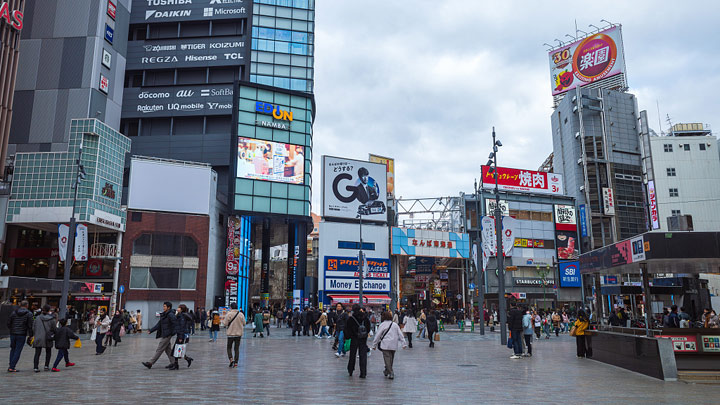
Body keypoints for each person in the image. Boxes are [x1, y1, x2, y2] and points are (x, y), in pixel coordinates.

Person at [143, 302, 178, 369]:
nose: (163, 307)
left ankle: (150, 363)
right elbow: (159, 324)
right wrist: (151, 330)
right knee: (168, 350)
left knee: (160, 348)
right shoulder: (164, 315)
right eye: (163, 306)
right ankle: (174, 363)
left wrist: (172, 333)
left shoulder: (170, 315)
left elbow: (175, 324)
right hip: (164, 333)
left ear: (169, 307)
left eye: (165, 306)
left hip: (167, 334)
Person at [372, 311, 406, 380]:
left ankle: (390, 372)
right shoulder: (395, 325)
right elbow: (400, 334)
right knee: (391, 359)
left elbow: (378, 335)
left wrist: (374, 345)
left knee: (387, 358)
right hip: (393, 344)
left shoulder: (382, 325)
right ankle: (387, 370)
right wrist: (403, 343)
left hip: (385, 344)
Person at [6, 300, 34, 372]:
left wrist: (12, 329)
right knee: (18, 350)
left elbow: (8, 322)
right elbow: (30, 326)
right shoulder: (29, 314)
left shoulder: (14, 312)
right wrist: (31, 335)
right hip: (21, 334)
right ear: (27, 305)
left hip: (13, 333)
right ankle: (12, 366)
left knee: (13, 349)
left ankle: (11, 365)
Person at [344, 304, 371, 378]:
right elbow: (368, 327)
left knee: (352, 355)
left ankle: (350, 369)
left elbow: (347, 330)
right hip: (363, 339)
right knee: (363, 355)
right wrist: (365, 334)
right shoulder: (365, 317)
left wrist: (349, 336)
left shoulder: (351, 318)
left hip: (354, 338)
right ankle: (363, 372)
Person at [32, 304, 56, 372]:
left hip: (38, 337)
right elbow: (54, 328)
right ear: (49, 310)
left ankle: (36, 367)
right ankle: (46, 366)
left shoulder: (37, 318)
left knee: (37, 353)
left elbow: (33, 327)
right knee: (48, 352)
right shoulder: (51, 319)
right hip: (48, 337)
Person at [172, 304, 194, 370]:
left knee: (177, 350)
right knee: (177, 350)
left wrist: (181, 337)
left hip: (181, 335)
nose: (177, 308)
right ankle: (187, 359)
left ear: (181, 309)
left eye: (179, 308)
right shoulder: (180, 315)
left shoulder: (182, 316)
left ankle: (176, 365)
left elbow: (181, 327)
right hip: (180, 334)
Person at [223, 303, 246, 368]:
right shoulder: (241, 314)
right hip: (238, 334)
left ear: (231, 307)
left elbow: (225, 323)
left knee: (229, 347)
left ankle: (231, 359)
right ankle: (236, 363)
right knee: (236, 349)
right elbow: (244, 323)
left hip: (230, 334)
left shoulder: (229, 314)